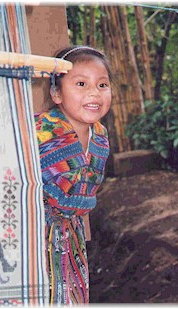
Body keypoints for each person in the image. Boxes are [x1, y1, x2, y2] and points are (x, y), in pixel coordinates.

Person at [34, 45, 112, 305]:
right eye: (81, 83)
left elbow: (85, 193)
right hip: (32, 233)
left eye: (102, 85)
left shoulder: (99, 136)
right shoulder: (41, 131)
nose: (94, 93)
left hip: (71, 238)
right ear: (56, 93)